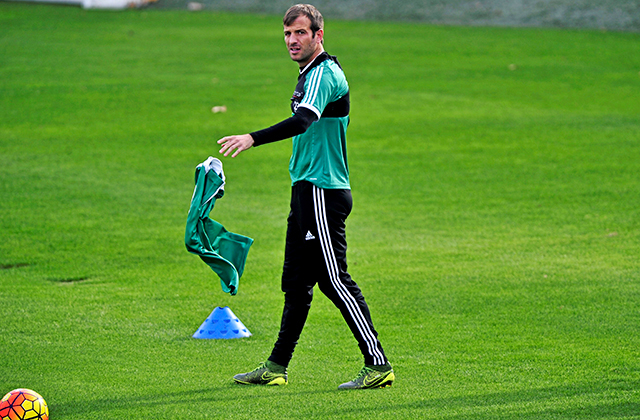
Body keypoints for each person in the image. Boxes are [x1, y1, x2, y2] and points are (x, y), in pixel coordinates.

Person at [217, 4, 394, 390]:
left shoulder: (325, 74)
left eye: (300, 33)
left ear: (318, 35)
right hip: (305, 190)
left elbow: (303, 121)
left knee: (333, 279)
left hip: (322, 191)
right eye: (287, 34)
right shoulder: (307, 75)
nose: (293, 41)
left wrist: (252, 138)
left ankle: (377, 364)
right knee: (295, 283)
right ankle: (276, 366)